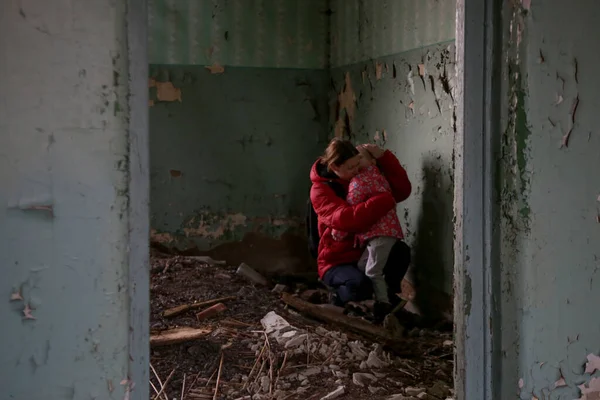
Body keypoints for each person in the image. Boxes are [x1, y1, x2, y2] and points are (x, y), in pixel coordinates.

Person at [309, 138, 412, 321]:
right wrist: (385, 200)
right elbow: (348, 220)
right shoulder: (320, 190)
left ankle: (385, 301)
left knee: (400, 252)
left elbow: (402, 190)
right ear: (334, 167)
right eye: (350, 168)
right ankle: (338, 299)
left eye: (357, 164)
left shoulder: (359, 175)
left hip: (362, 251)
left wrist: (383, 157)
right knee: (359, 285)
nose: (356, 170)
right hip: (336, 261)